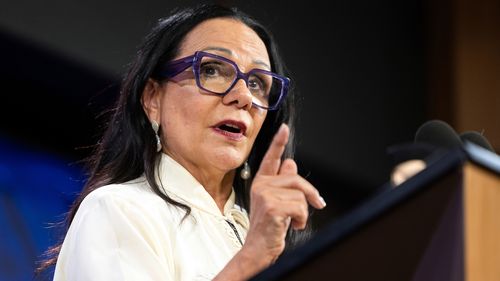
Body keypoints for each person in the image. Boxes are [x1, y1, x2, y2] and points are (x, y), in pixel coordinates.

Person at [39, 3, 326, 280]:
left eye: (257, 83)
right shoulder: (119, 209)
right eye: (211, 70)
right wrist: (251, 259)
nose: (243, 96)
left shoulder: (268, 239)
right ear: (153, 98)